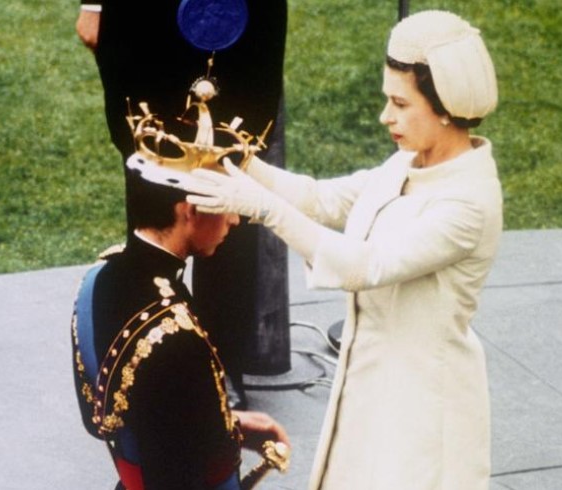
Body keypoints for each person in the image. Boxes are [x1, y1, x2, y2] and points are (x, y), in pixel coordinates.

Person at [178, 10, 503, 490]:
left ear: (445, 107)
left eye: (399, 103)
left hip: (424, 407)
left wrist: (263, 208)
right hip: (369, 384)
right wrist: (240, 160)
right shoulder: (407, 163)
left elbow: (366, 265)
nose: (384, 117)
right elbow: (321, 198)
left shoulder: (470, 202)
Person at [75, 0, 290, 408]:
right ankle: (144, 350)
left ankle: (221, 361)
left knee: (232, 164)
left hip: (244, 17)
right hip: (147, 21)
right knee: (151, 164)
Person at [70, 164, 289, 489]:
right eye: (227, 205)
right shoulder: (177, 339)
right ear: (189, 211)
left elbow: (101, 421)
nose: (235, 220)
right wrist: (223, 433)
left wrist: (233, 424)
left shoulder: (96, 277)